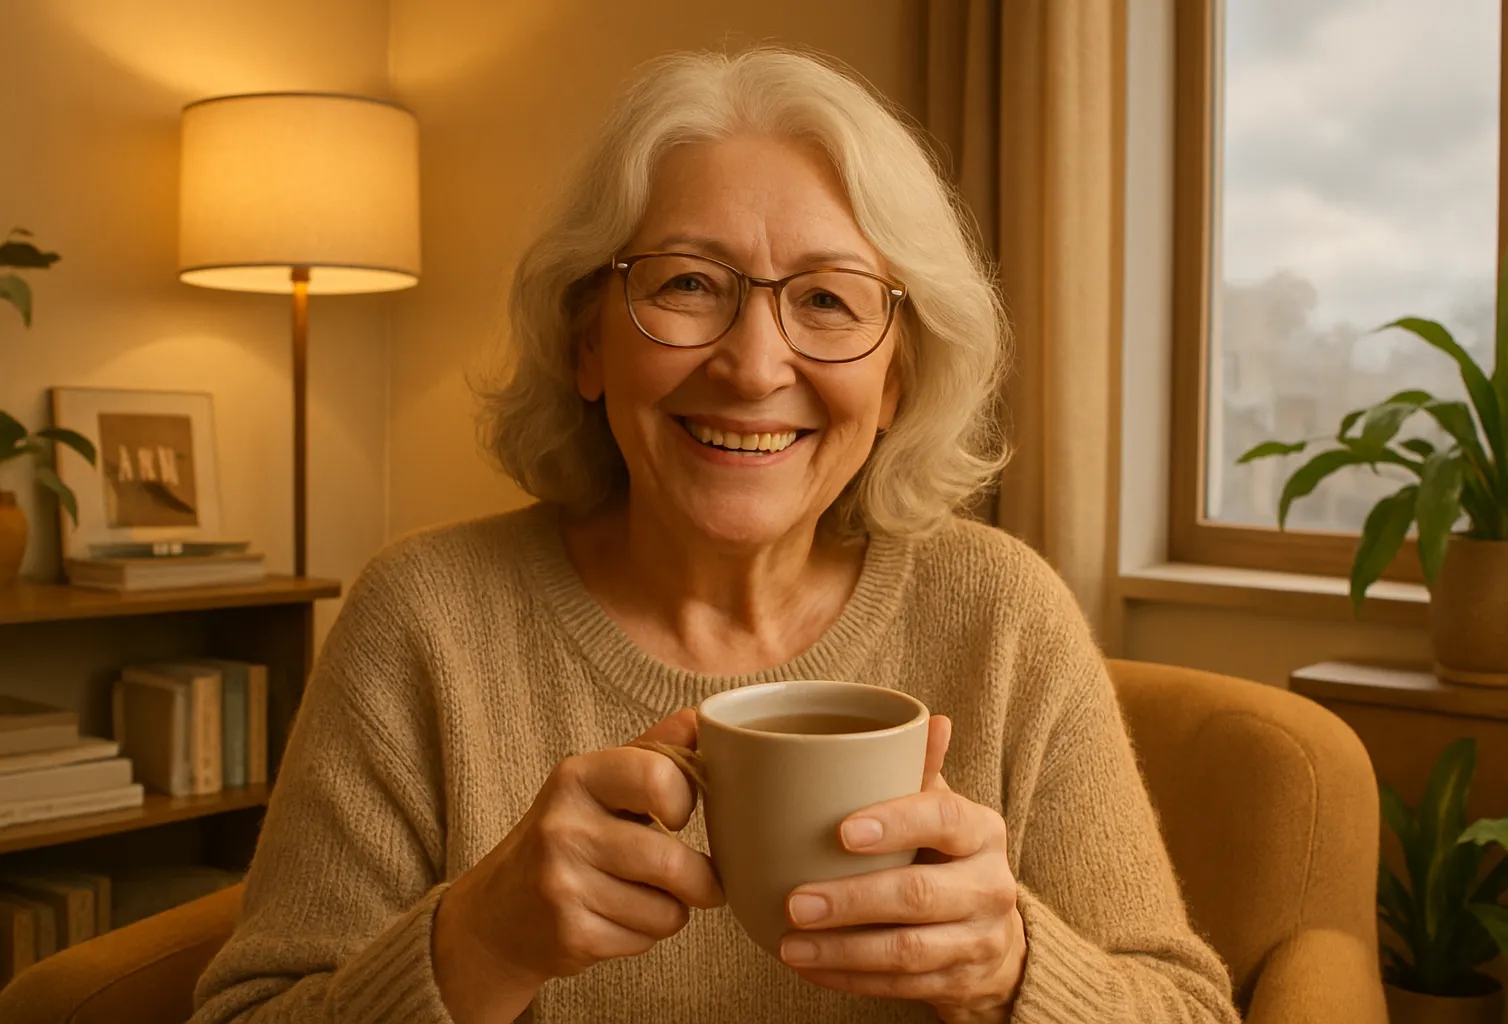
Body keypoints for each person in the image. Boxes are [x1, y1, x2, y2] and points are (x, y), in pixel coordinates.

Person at [192, 47, 1241, 1024]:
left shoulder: (1005, 614)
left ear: (898, 377)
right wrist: (479, 939)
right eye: (689, 283)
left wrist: (1013, 971)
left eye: (828, 300)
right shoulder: (423, 616)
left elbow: (1189, 1008)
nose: (753, 364)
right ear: (587, 340)